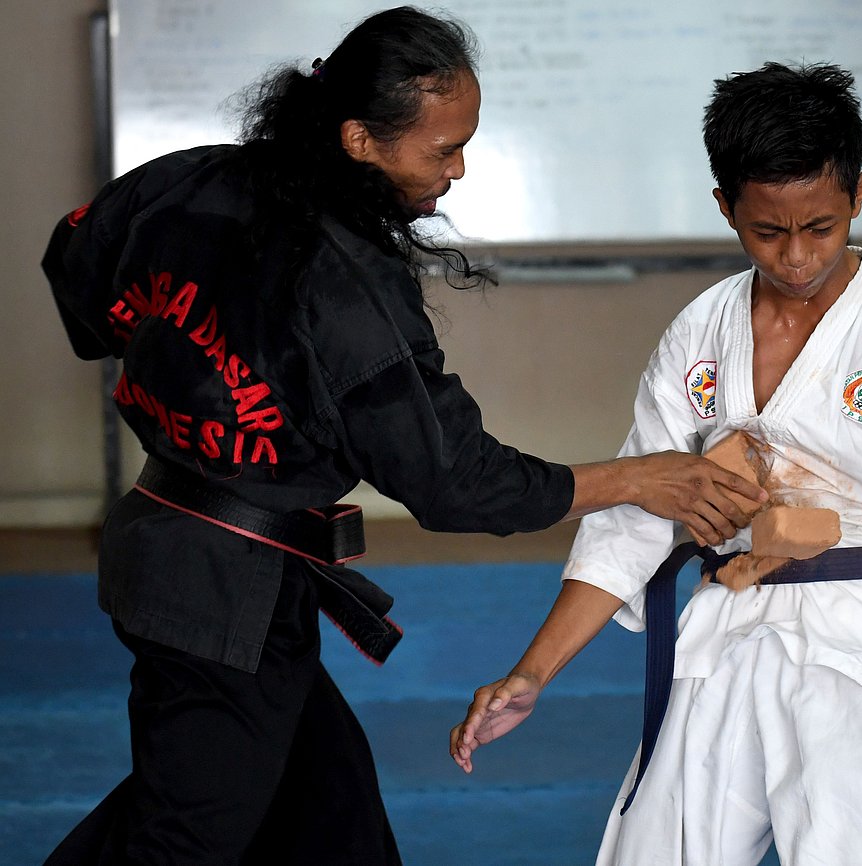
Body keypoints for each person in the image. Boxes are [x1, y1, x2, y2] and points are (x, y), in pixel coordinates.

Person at [39, 8, 766, 865]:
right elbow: (453, 483)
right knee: (183, 838)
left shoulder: (190, 180)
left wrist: (187, 379)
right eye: (441, 150)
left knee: (329, 808)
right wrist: (643, 479)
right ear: (358, 140)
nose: (458, 170)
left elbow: (77, 272)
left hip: (177, 552)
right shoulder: (349, 288)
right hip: (218, 596)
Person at [450, 62, 862, 865]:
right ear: (725, 207)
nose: (798, 255)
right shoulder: (701, 331)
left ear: (859, 194)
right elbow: (634, 521)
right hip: (722, 629)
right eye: (768, 231)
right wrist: (531, 673)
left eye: (822, 227)